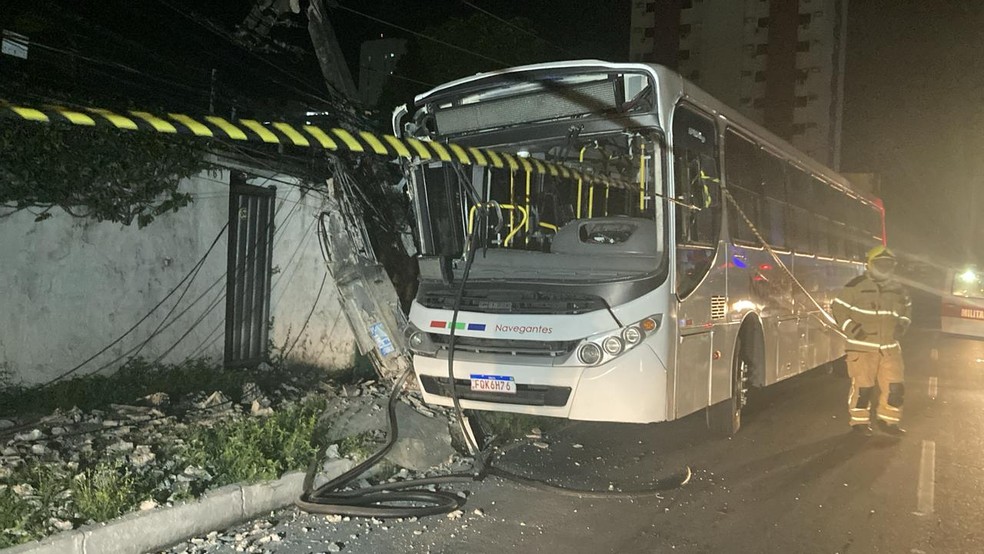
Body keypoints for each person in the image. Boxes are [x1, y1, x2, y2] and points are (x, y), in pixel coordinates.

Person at [832, 245, 912, 436]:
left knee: (895, 388)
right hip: (862, 348)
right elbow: (838, 309)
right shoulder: (855, 286)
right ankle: (859, 423)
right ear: (870, 264)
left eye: (888, 264)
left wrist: (902, 325)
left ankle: (889, 421)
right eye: (880, 263)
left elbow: (907, 310)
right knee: (863, 388)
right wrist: (853, 330)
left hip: (890, 349)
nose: (884, 267)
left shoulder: (899, 289)